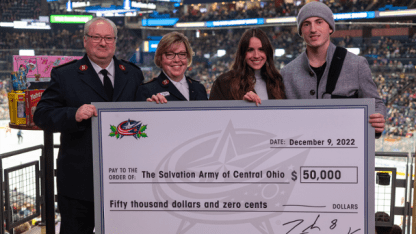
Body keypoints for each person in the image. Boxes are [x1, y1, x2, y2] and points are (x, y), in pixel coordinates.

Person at [33, 17, 144, 234]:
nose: (103, 43)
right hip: (79, 183)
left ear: (115, 41)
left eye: (108, 38)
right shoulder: (65, 75)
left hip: (126, 179)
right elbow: (42, 115)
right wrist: (73, 114)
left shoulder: (132, 74)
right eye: (96, 37)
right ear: (85, 41)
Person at [280, 2, 386, 135]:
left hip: (344, 149)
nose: (313, 29)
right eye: (306, 24)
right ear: (301, 31)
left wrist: (378, 117)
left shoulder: (357, 65)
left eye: (319, 22)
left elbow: (376, 103)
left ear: (330, 28)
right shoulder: (286, 73)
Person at [209, 28, 285, 102]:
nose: (256, 55)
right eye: (250, 50)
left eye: (261, 49)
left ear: (268, 53)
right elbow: (213, 114)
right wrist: (242, 105)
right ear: (242, 54)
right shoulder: (223, 83)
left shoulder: (277, 82)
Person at [139, 32, 207, 103]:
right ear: (160, 58)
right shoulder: (146, 91)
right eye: (170, 54)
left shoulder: (199, 88)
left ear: (188, 57)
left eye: (182, 54)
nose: (177, 60)